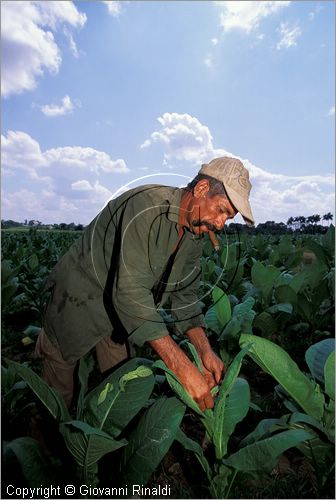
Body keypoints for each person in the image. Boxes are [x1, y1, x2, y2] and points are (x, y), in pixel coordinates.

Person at [35, 156, 254, 410]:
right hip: (77, 301)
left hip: (120, 317)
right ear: (202, 189)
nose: (220, 224)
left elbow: (184, 297)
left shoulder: (195, 233)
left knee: (118, 392)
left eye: (228, 218)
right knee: (56, 399)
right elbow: (129, 292)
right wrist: (182, 367)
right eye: (221, 210)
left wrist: (204, 350)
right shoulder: (145, 206)